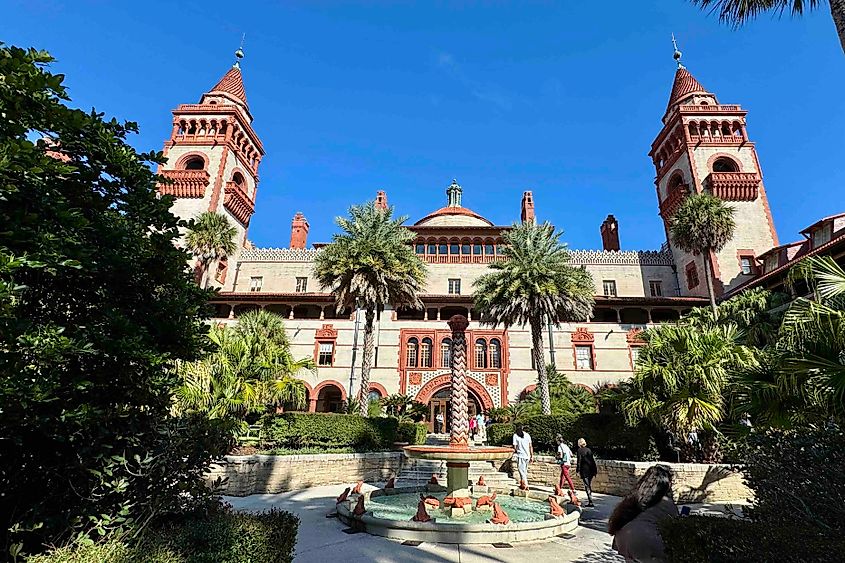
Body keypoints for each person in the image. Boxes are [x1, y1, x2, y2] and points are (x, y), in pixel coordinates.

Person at [608, 464, 679, 562]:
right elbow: (675, 528)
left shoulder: (635, 497)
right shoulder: (666, 502)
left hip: (623, 539)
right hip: (646, 541)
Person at [576, 438, 598, 507]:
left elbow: (579, 461)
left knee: (587, 486)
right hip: (591, 470)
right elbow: (592, 460)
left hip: (584, 471)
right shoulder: (589, 450)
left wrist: (577, 471)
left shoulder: (579, 450)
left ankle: (590, 501)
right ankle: (590, 500)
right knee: (588, 485)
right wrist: (595, 471)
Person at [512, 424, 533, 490]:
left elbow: (515, 447)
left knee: (521, 471)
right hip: (527, 456)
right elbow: (530, 446)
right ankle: (523, 484)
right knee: (524, 471)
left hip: (520, 455)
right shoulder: (527, 435)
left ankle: (525, 485)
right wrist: (532, 456)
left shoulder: (515, 435)